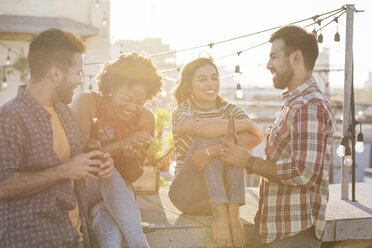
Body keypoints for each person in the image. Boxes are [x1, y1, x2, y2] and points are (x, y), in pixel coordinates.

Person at [220, 25, 336, 248]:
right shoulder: (295, 103)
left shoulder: (308, 105)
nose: (268, 64)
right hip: (281, 234)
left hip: (293, 236)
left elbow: (303, 172)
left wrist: (248, 162)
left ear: (295, 57)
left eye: (274, 56)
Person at [0, 29, 114, 248]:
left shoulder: (64, 112)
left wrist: (99, 164)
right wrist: (64, 170)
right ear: (55, 74)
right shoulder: (10, 118)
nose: (80, 81)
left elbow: (80, 158)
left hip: (75, 235)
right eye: (77, 73)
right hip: (33, 241)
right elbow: (2, 186)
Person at [168, 57, 264, 247]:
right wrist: (244, 124)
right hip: (189, 194)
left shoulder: (231, 109)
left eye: (214, 78)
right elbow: (198, 128)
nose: (210, 84)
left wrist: (211, 152)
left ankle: (233, 214)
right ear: (189, 85)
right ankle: (220, 212)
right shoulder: (182, 112)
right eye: (202, 79)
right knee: (213, 133)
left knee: (228, 142)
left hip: (229, 194)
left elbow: (255, 138)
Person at [71, 52, 163, 248]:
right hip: (81, 188)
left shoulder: (145, 118)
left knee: (108, 228)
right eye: (128, 98)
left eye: (140, 102)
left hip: (116, 199)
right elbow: (80, 156)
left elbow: (132, 174)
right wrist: (125, 143)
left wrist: (134, 159)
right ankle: (140, 244)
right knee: (106, 167)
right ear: (112, 87)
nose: (132, 107)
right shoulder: (87, 102)